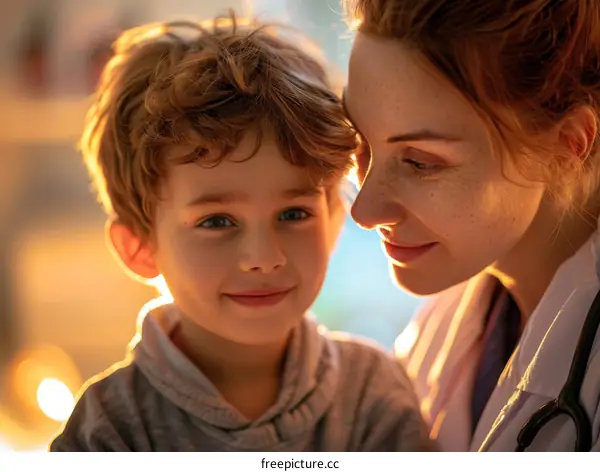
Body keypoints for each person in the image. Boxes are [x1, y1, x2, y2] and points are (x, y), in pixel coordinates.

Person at [48, 12, 435, 452]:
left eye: (293, 214)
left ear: (334, 220)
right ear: (139, 247)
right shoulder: (109, 431)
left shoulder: (374, 395)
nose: (263, 257)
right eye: (217, 221)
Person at [343, 0, 600, 452]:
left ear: (567, 144)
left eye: (420, 162)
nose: (364, 210)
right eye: (358, 142)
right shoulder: (457, 308)